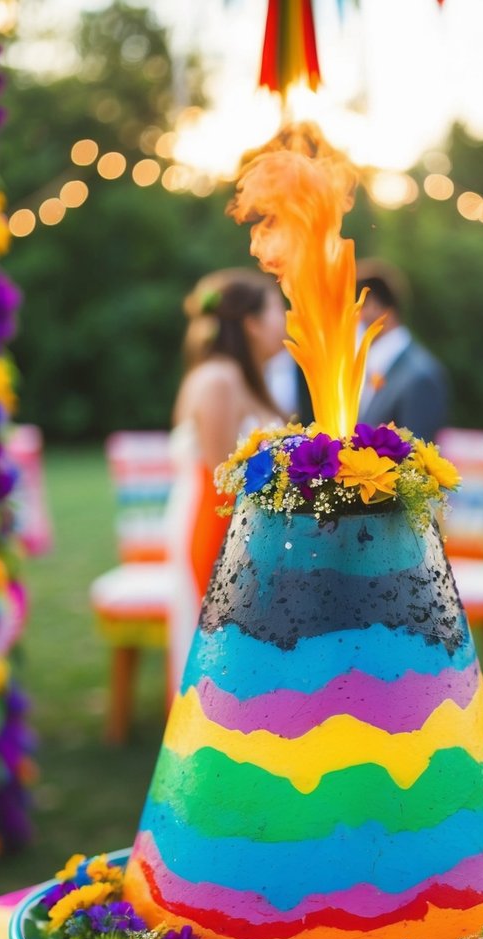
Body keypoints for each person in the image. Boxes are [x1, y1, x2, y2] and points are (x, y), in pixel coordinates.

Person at [167, 268, 288, 689]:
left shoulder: (242, 377)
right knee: (225, 645)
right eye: (278, 309)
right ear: (252, 323)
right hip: (218, 526)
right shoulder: (219, 379)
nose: (286, 319)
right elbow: (225, 475)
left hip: (243, 524)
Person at [352, 258, 450, 441]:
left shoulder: (420, 377)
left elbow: (417, 462)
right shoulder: (368, 368)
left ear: (374, 306)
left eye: (356, 307)